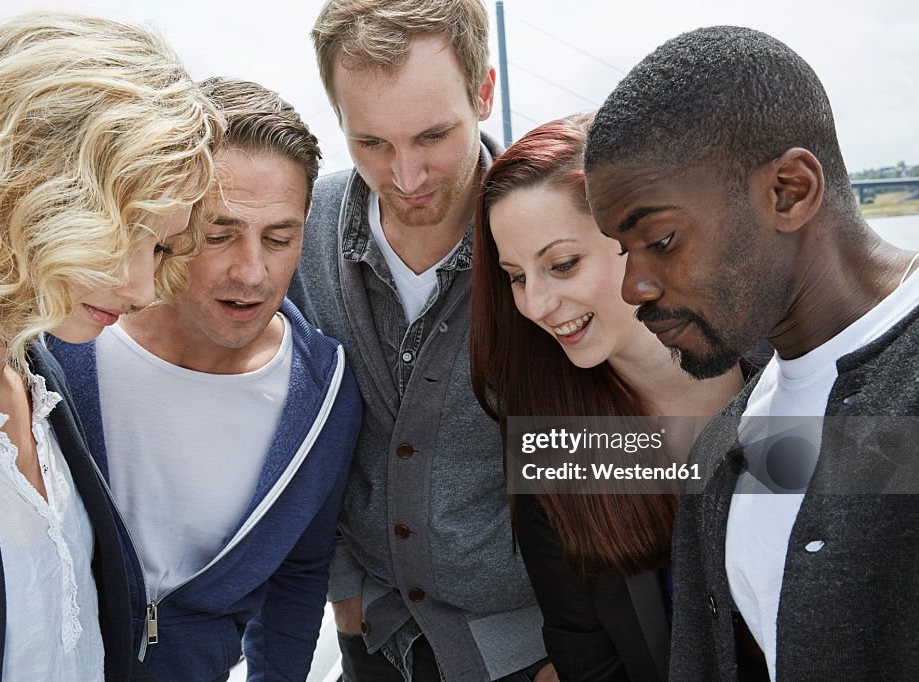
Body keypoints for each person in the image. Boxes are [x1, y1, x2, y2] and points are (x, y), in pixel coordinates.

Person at [583, 25, 919, 681]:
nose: (633, 287)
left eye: (661, 238)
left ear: (789, 190)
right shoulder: (725, 448)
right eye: (624, 251)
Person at [0, 12, 219, 681]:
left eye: (158, 245)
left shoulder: (44, 373)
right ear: (30, 182)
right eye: (121, 230)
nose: (141, 287)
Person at [48, 76, 362, 681]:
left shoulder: (325, 393)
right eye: (218, 234)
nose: (252, 271)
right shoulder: (63, 340)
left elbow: (299, 571)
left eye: (279, 238)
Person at [286, 1, 553, 680]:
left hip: (539, 652)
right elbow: (305, 438)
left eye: (433, 136)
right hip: (375, 643)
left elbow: (632, 432)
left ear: (484, 92)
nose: (405, 177)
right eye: (371, 143)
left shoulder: (558, 234)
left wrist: (583, 645)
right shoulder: (299, 233)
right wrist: (345, 606)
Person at [470, 113, 745, 681]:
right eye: (517, 276)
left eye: (562, 265)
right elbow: (587, 661)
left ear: (638, 236)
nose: (538, 305)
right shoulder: (565, 445)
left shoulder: (796, 374)